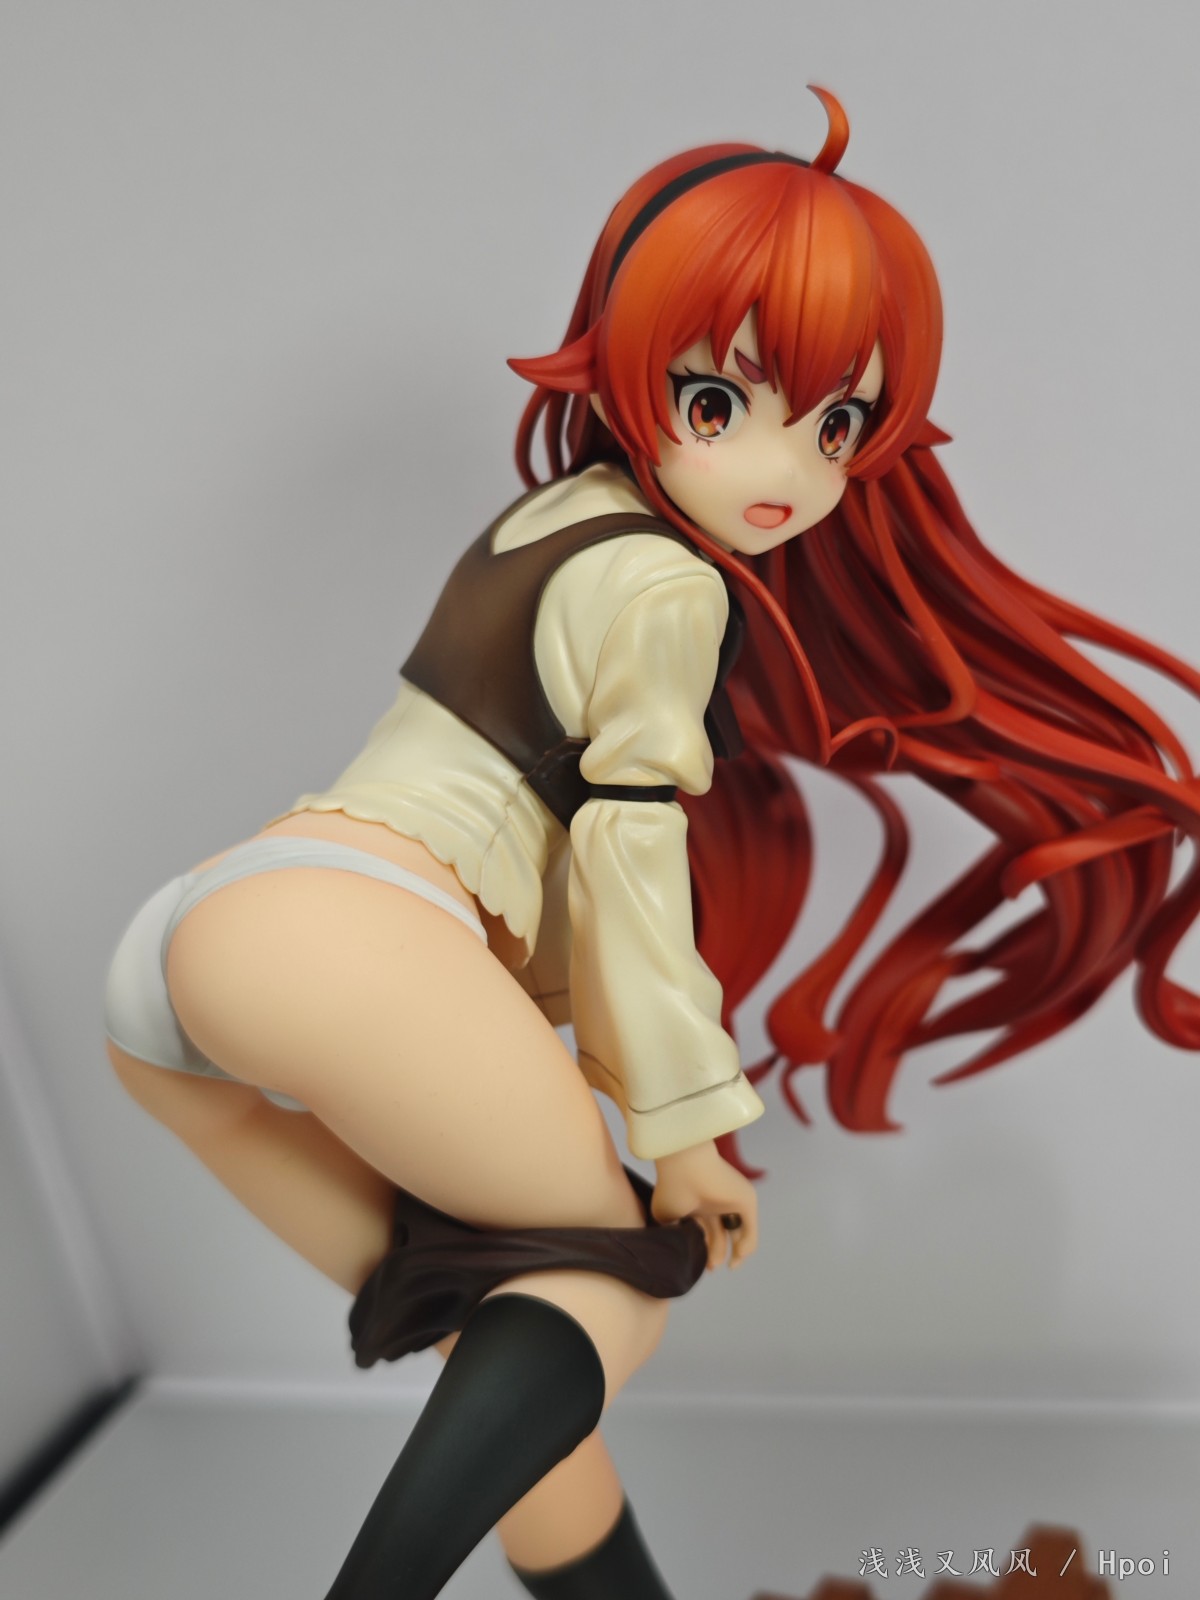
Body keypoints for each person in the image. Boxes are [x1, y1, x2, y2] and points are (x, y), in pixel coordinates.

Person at [103, 88, 1200, 1599]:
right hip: (346, 933)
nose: (784, 471)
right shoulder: (672, 589)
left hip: (193, 948)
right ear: (630, 363)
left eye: (837, 425)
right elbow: (629, 869)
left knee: (498, 1338)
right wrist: (682, 1137)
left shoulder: (557, 515)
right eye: (719, 402)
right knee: (610, 1290)